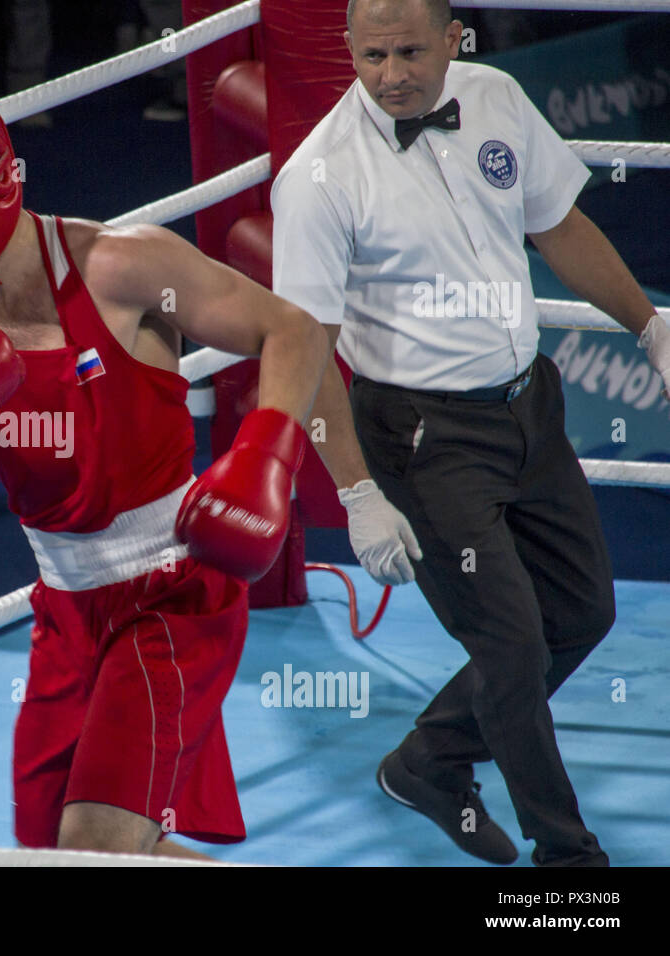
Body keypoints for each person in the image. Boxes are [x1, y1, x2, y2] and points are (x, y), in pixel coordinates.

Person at [0, 82, 331, 855]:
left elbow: (291, 330)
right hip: (65, 609)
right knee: (58, 853)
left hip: (176, 591)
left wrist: (266, 459)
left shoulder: (121, 265)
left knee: (96, 844)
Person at [272, 0, 670, 866]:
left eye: (411, 51)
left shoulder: (493, 97)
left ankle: (430, 758)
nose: (391, 75)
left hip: (531, 405)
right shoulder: (317, 179)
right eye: (371, 56)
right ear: (347, 49)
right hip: (423, 438)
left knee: (582, 611)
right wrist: (356, 491)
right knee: (510, 646)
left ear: (456, 38)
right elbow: (304, 350)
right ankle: (568, 861)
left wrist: (651, 326)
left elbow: (557, 225)